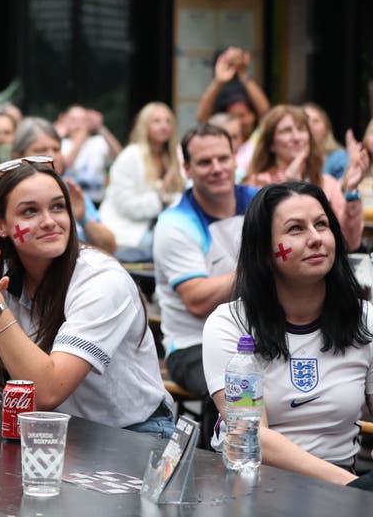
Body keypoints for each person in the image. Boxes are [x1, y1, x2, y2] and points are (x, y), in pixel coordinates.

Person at [0, 156, 173, 435]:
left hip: (133, 435)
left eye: (58, 207)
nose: (49, 221)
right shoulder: (3, 278)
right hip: (56, 435)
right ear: (0, 225)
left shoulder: (102, 280)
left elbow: (48, 392)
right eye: (30, 212)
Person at [202, 182, 373, 491]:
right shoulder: (229, 324)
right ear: (264, 249)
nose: (316, 238)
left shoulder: (364, 319)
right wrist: (353, 486)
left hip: (344, 481)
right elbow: (253, 434)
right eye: (296, 229)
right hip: (256, 486)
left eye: (322, 224)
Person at [153, 123, 258, 401]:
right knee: (236, 391)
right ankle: (220, 447)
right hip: (193, 345)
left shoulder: (260, 204)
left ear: (235, 160)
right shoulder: (174, 223)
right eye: (204, 162)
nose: (217, 168)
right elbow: (197, 301)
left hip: (258, 334)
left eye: (223, 158)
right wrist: (262, 268)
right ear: (187, 169)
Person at [0, 118, 116, 255]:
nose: (52, 156)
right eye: (41, 150)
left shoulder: (70, 188)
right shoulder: (4, 192)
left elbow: (110, 247)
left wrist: (84, 219)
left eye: (56, 149)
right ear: (17, 157)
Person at [243, 105, 361, 251]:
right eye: (287, 131)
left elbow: (350, 242)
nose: (297, 137)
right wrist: (290, 185)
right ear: (271, 144)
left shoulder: (327, 183)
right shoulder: (256, 184)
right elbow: (259, 243)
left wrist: (351, 191)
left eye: (301, 129)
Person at [99, 102, 184, 250]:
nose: (164, 126)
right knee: (170, 245)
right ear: (145, 125)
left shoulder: (175, 155)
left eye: (168, 121)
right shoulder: (130, 156)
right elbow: (127, 206)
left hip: (161, 225)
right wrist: (162, 194)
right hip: (125, 230)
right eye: (157, 121)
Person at [196, 46, 268, 177]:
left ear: (252, 116)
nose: (239, 122)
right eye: (233, 117)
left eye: (243, 115)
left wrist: (244, 75)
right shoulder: (216, 148)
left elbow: (266, 114)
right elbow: (202, 119)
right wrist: (218, 81)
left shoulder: (255, 144)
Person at [56, 104, 122, 205]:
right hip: (70, 202)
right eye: (74, 120)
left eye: (83, 120)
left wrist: (101, 128)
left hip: (98, 200)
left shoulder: (98, 141)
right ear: (66, 122)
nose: (78, 125)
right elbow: (65, 164)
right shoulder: (62, 144)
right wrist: (81, 138)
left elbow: (120, 156)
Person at [303, 102, 347, 181]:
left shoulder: (338, 158)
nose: (310, 125)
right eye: (306, 121)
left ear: (326, 127)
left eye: (316, 121)